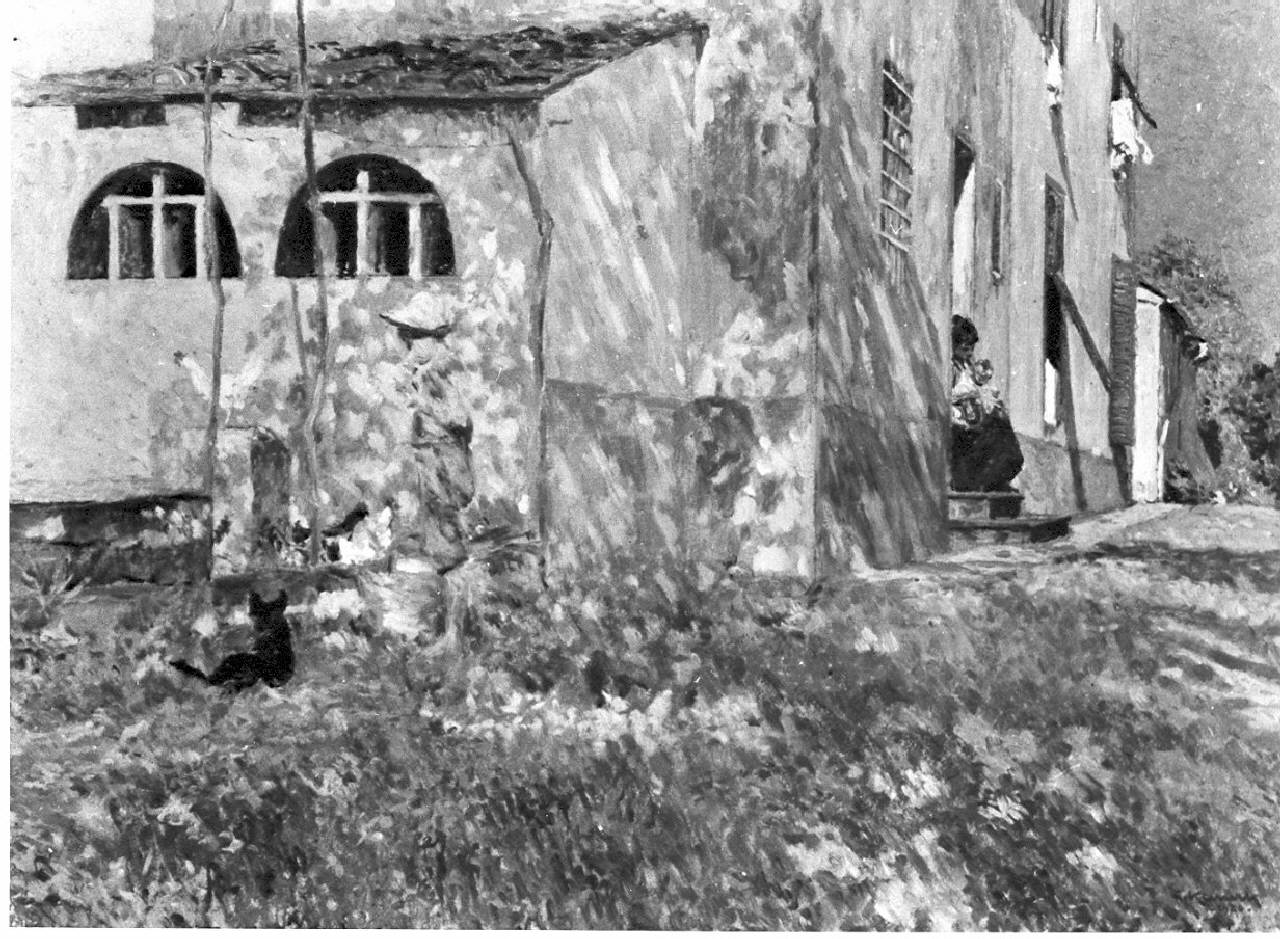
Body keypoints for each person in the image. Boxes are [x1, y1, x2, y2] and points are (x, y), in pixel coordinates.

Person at [950, 316, 1023, 492]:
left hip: (974, 416)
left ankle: (1001, 474)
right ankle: (982, 481)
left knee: (1001, 423)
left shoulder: (968, 367)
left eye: (971, 349)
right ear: (954, 345)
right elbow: (952, 398)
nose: (969, 353)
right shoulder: (951, 368)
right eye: (965, 349)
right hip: (962, 422)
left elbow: (979, 387)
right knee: (993, 432)